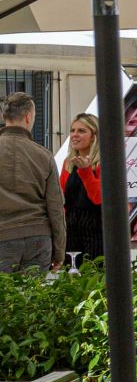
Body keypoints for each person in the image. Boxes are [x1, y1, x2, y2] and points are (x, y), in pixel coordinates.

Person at [0, 91, 64, 273]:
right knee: (33, 298)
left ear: (4, 116)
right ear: (28, 117)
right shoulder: (44, 155)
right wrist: (59, 251)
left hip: (3, 236)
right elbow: (56, 207)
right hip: (38, 238)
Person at [59, 113, 103, 263]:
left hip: (97, 232)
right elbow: (61, 200)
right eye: (72, 130)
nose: (74, 135)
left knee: (94, 277)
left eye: (81, 131)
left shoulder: (104, 162)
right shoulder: (68, 163)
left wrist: (86, 172)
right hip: (72, 232)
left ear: (94, 136)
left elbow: (98, 198)